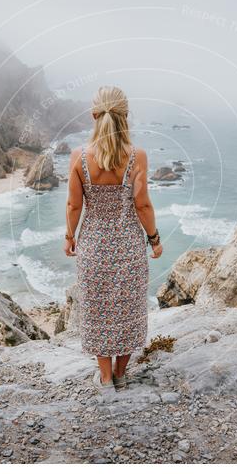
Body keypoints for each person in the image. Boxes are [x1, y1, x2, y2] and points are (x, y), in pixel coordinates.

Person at [63, 85, 163, 392]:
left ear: (94, 116)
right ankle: (121, 373)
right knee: (127, 309)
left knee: (98, 310)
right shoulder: (137, 157)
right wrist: (155, 239)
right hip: (128, 247)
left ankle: (104, 378)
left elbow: (74, 204)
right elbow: (142, 203)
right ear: (126, 116)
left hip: (93, 247)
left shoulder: (79, 158)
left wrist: (69, 237)